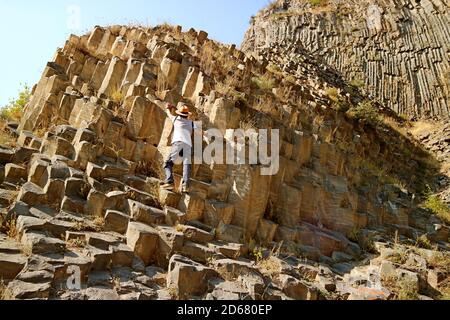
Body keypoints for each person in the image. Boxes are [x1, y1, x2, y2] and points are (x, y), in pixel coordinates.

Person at [161, 103, 197, 193]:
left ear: (179, 114)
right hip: (188, 145)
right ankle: (185, 186)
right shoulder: (191, 123)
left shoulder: (176, 119)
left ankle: (169, 182)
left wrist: (169, 107)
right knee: (186, 165)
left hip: (178, 143)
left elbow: (168, 112)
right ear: (187, 115)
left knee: (168, 163)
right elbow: (201, 132)